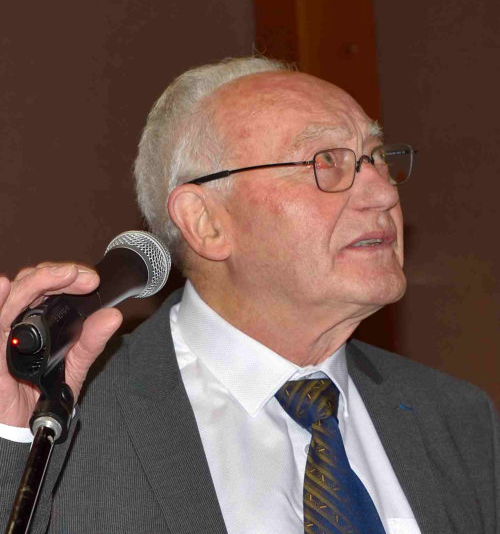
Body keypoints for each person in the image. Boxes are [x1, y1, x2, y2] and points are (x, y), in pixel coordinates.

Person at [0, 57, 498, 534]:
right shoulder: (60, 422)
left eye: (377, 158)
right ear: (206, 222)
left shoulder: (461, 421)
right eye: (326, 161)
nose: (384, 194)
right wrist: (8, 444)